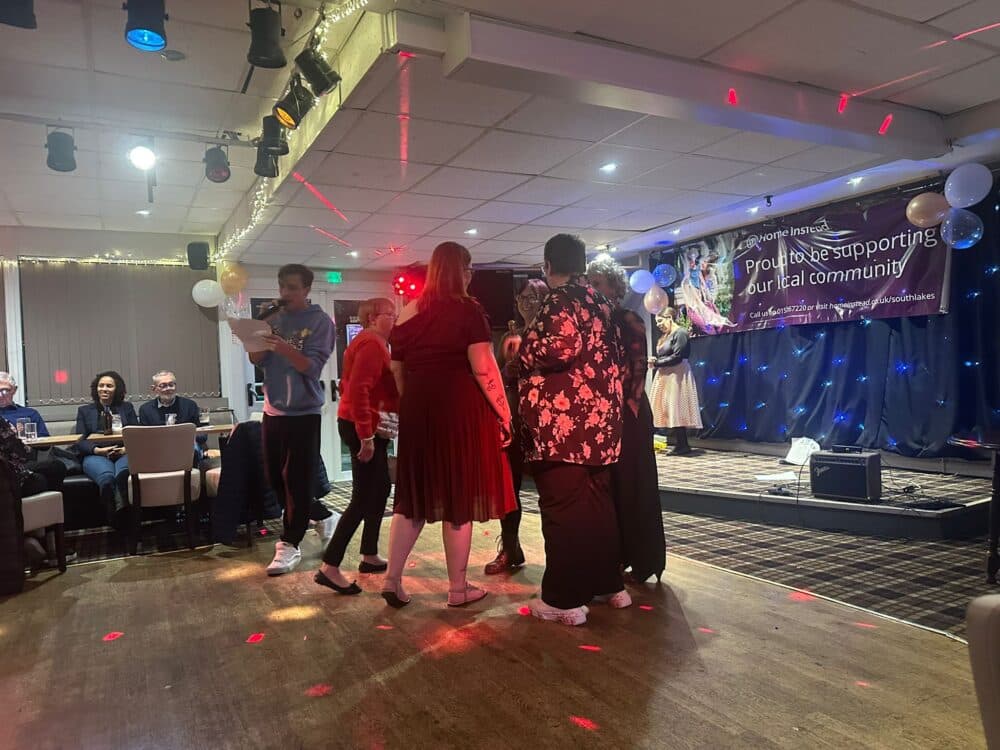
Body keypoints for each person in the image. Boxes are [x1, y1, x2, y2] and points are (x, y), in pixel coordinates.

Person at [382, 241, 515, 608]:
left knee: (413, 498)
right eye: (469, 270)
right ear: (462, 272)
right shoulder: (468, 310)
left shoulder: (407, 312)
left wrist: (414, 404)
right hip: (458, 409)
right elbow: (484, 367)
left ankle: (392, 579)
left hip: (419, 409)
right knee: (458, 496)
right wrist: (504, 414)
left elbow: (397, 370)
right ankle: (458, 589)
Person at [519, 234, 629, 627]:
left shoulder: (559, 299)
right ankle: (608, 584)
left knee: (562, 512)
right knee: (598, 507)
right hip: (600, 427)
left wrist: (522, 353)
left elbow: (559, 348)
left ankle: (562, 599)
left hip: (562, 429)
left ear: (548, 266)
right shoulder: (601, 302)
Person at [249, 263, 337, 576]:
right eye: (282, 286)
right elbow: (256, 359)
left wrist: (285, 347)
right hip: (274, 409)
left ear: (306, 290)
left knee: (297, 481)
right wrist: (259, 328)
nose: (285, 293)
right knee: (275, 478)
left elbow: (311, 368)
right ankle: (323, 515)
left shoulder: (320, 322)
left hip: (304, 412)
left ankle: (290, 543)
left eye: (292, 287)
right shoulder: (274, 317)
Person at [587, 257, 666, 583]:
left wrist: (617, 411)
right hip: (605, 415)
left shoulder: (628, 319)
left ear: (614, 287)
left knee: (634, 485)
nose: (592, 289)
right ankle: (615, 557)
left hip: (628, 415)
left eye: (597, 283)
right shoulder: (592, 321)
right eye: (589, 283)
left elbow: (634, 375)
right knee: (609, 490)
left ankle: (643, 559)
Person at [315, 297, 399, 595]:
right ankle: (330, 566)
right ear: (373, 318)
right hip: (362, 426)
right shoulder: (372, 344)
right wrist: (366, 437)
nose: (395, 318)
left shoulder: (372, 343)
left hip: (369, 424)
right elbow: (359, 390)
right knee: (363, 497)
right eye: (390, 314)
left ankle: (369, 553)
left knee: (379, 490)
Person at [484, 277, 548, 575]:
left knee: (552, 494)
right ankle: (510, 549)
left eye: (534, 299)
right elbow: (497, 379)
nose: (527, 305)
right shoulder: (511, 336)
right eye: (522, 300)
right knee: (509, 489)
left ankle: (562, 555)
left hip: (546, 424)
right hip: (514, 420)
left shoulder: (551, 333)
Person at [73, 370, 139, 528]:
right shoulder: (84, 410)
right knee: (107, 478)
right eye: (101, 385)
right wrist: (98, 450)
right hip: (96, 454)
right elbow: (80, 440)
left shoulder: (127, 408)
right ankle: (116, 519)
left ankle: (125, 520)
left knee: (123, 475)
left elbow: (136, 433)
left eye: (109, 386)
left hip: (124, 452)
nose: (104, 389)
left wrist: (125, 450)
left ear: (117, 389)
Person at [649, 308, 702, 455]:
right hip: (667, 375)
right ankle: (680, 443)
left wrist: (657, 363)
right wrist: (656, 361)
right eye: (656, 322)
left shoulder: (680, 333)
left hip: (677, 375)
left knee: (676, 408)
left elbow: (679, 356)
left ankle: (683, 444)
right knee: (669, 409)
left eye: (660, 321)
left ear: (669, 318)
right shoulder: (667, 335)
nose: (658, 325)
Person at [138, 371, 209, 463]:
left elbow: (202, 435)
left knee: (192, 449)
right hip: (157, 448)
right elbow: (143, 438)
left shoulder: (189, 405)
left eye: (171, 385)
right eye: (163, 385)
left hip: (186, 446)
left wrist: (188, 435)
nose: (168, 389)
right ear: (154, 389)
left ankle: (189, 476)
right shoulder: (145, 409)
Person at [0, 373, 50, 437]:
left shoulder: (30, 414)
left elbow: (45, 443)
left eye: (5, 390)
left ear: (14, 390)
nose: (0, 396)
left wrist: (16, 435)